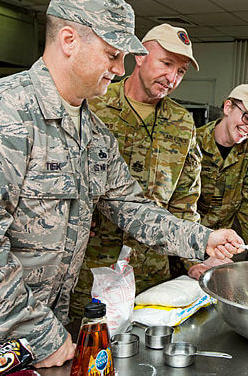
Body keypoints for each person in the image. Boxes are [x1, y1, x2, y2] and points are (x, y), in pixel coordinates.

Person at [0, 0, 242, 368]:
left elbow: (131, 206)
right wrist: (38, 331)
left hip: (45, 332)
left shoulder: (92, 134)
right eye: (112, 54)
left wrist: (203, 239)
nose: (119, 67)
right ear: (69, 41)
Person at [70, 23, 203, 318]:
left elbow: (184, 200)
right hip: (91, 270)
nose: (172, 78)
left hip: (152, 272)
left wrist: (191, 259)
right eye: (166, 63)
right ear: (140, 56)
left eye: (180, 72)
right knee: (88, 352)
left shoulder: (182, 122)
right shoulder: (93, 105)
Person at [187, 84, 248, 278]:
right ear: (227, 108)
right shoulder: (193, 142)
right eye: (247, 118)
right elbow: (182, 206)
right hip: (190, 245)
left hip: (225, 250)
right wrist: (192, 260)